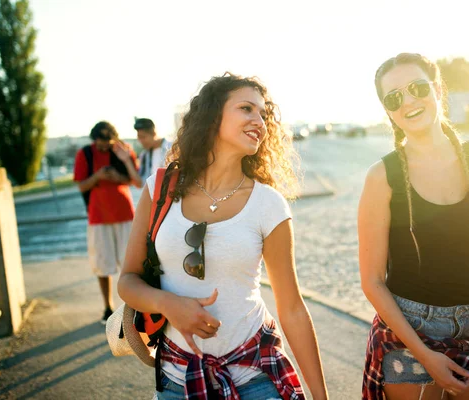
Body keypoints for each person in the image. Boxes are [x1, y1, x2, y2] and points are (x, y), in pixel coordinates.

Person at [118, 73, 328, 399]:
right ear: (213, 115)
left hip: (257, 371)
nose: (259, 120)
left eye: (263, 114)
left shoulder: (268, 203)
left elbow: (292, 308)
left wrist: (321, 396)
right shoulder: (158, 189)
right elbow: (127, 281)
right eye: (246, 109)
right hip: (178, 379)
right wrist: (168, 304)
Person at [358, 53, 469, 399]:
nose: (409, 101)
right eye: (394, 97)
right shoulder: (382, 177)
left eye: (417, 87)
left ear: (438, 89)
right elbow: (372, 281)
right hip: (407, 332)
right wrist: (425, 355)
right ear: (388, 111)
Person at [73, 121, 143, 324]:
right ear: (94, 140)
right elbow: (82, 186)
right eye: (100, 143)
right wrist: (98, 176)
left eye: (107, 142)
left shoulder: (123, 150)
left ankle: (136, 307)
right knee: (102, 264)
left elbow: (136, 181)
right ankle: (107, 307)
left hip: (126, 214)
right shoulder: (85, 154)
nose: (104, 147)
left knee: (132, 264)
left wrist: (118, 173)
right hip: (99, 216)